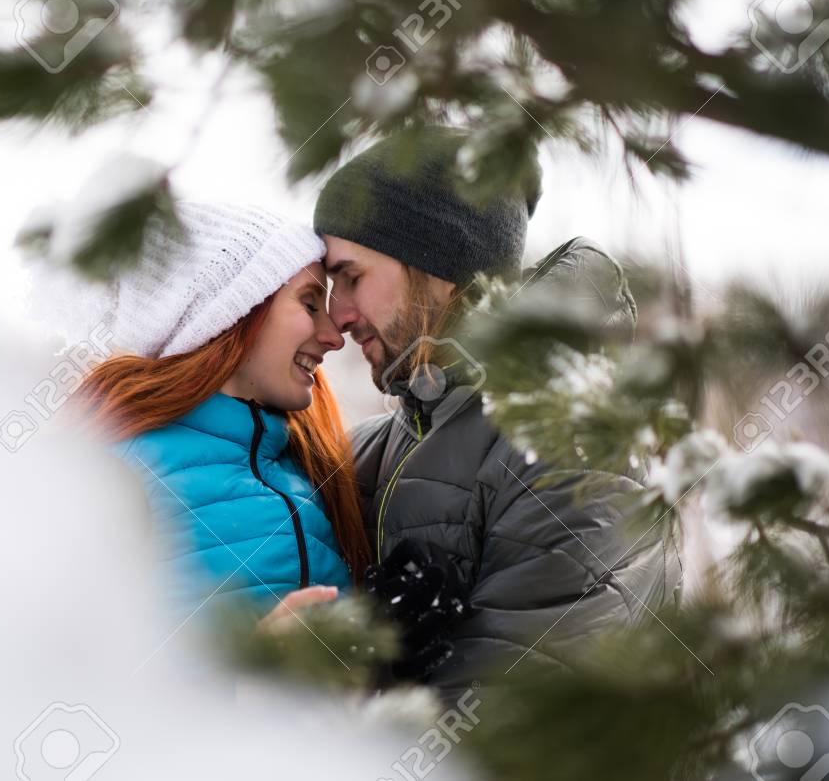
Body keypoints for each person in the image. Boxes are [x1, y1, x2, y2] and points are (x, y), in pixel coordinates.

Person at [312, 126, 682, 696]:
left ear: (439, 266)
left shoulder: (564, 447)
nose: (338, 316)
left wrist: (371, 686)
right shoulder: (371, 447)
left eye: (351, 278)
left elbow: (519, 717)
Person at [75, 200, 371, 626]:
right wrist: (253, 663)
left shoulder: (307, 465)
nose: (334, 336)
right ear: (231, 313)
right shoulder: (110, 478)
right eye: (309, 304)